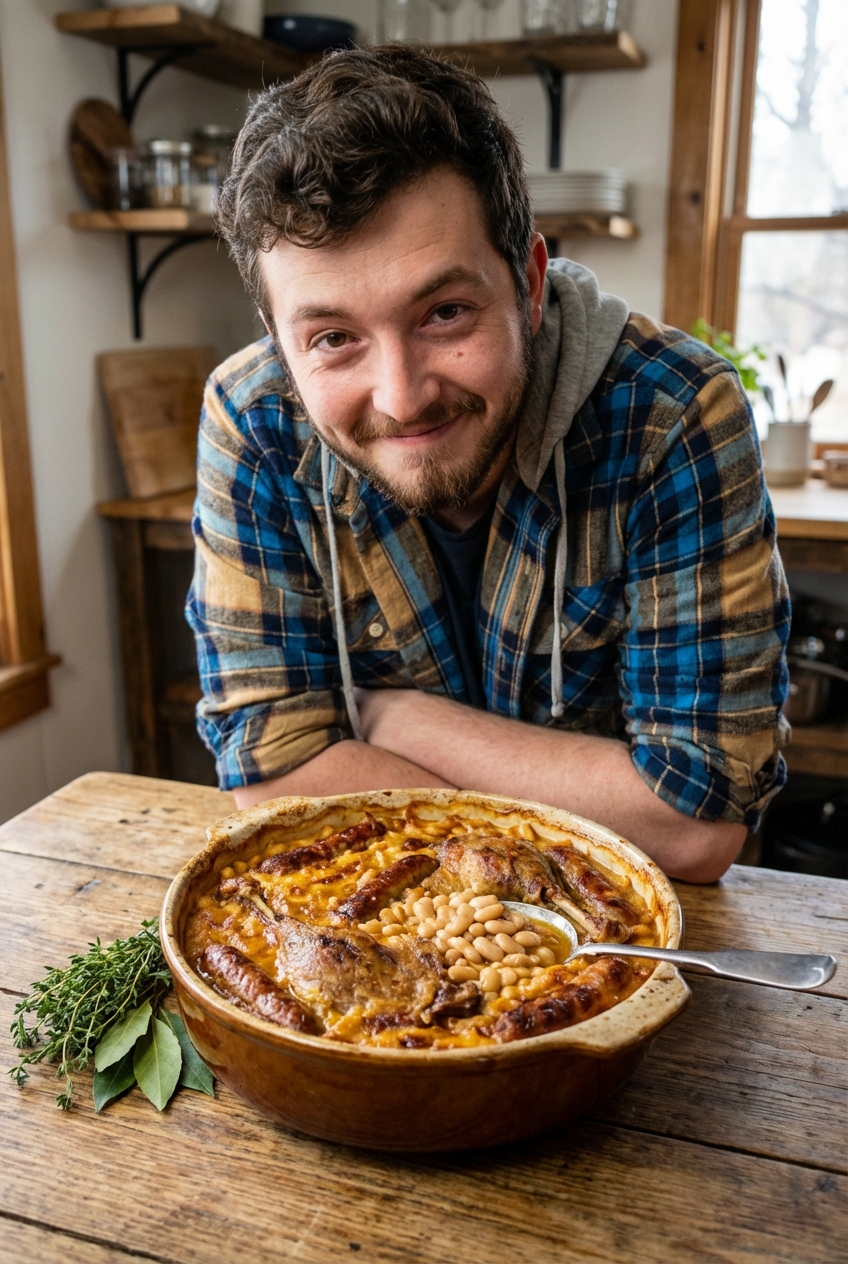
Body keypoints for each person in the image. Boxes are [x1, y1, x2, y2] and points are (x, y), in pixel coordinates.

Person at [187, 45, 789, 883]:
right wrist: (591, 799)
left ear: (530, 284)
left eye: (444, 312)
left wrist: (402, 723)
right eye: (332, 339)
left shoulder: (675, 412)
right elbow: (272, 775)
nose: (399, 398)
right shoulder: (251, 420)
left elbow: (695, 827)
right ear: (279, 341)